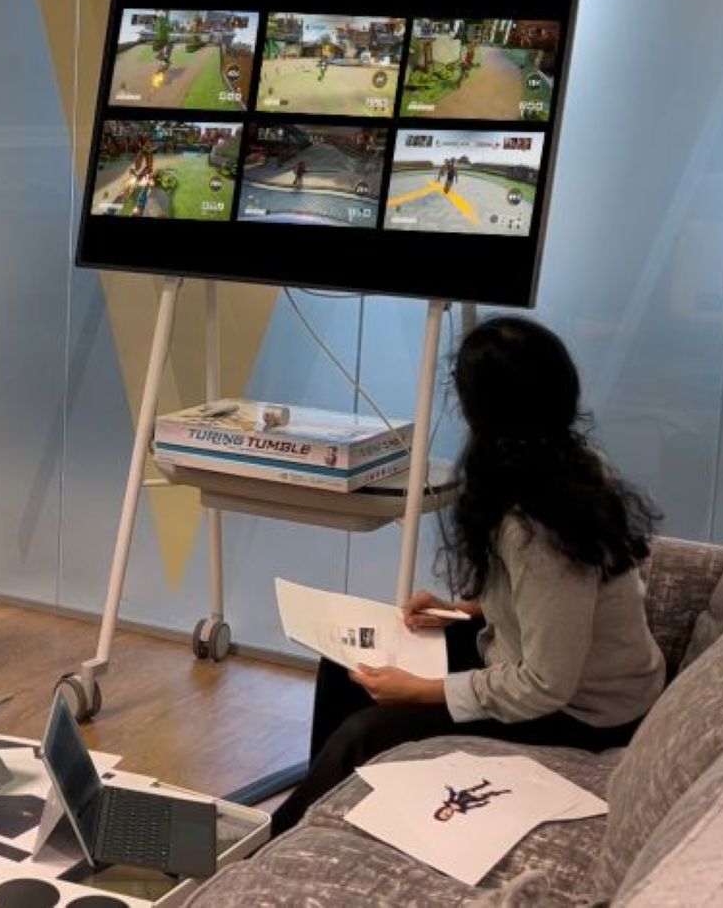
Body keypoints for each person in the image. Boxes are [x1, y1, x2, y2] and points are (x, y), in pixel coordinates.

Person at [270, 316, 665, 833]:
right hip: (536, 662)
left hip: (587, 717)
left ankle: (277, 844)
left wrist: (420, 690)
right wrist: (467, 610)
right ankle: (315, 817)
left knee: (365, 733)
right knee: (345, 664)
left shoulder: (541, 526)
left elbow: (545, 686)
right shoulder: (559, 460)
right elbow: (553, 604)